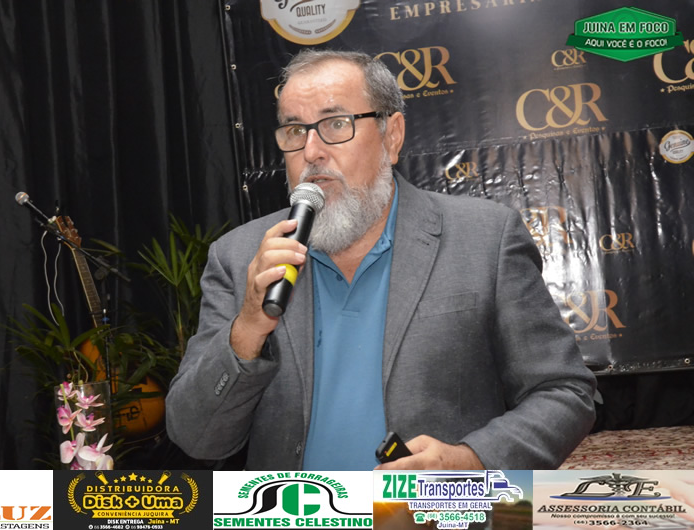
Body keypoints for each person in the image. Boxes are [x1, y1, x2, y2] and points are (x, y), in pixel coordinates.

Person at [165, 49, 596, 470]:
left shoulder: (484, 239)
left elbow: (564, 392)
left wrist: (471, 461)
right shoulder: (241, 257)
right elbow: (196, 437)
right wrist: (247, 329)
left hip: (432, 508)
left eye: (336, 124)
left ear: (392, 136)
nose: (311, 151)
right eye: (295, 130)